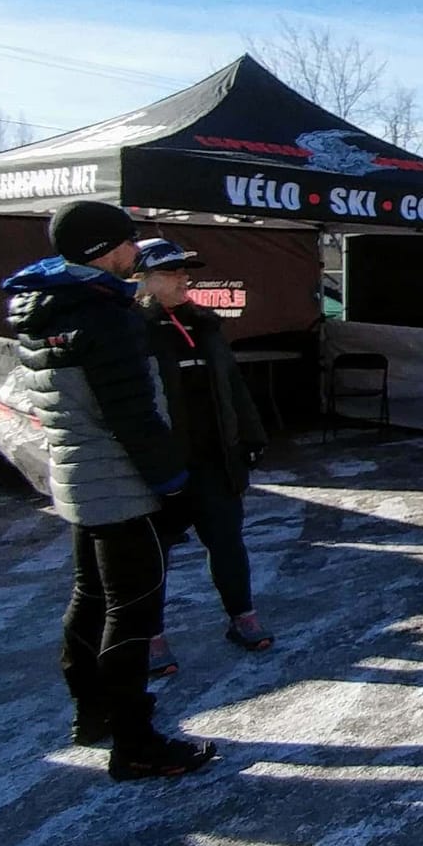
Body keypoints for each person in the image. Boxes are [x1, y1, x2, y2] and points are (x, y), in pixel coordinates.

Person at [1, 201, 216, 781]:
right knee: (133, 612)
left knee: (92, 597)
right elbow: (132, 416)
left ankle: (91, 711)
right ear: (102, 250)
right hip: (120, 484)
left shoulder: (47, 305)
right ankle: (136, 742)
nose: (136, 251)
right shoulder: (102, 315)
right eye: (128, 241)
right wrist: (174, 486)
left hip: (78, 480)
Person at [135, 238, 273, 674]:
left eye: (184, 272)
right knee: (151, 555)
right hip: (160, 466)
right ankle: (150, 638)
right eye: (171, 273)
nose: (183, 280)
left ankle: (243, 616)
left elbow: (232, 385)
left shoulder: (205, 325)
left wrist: (250, 436)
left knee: (227, 541)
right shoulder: (131, 329)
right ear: (142, 280)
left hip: (214, 460)